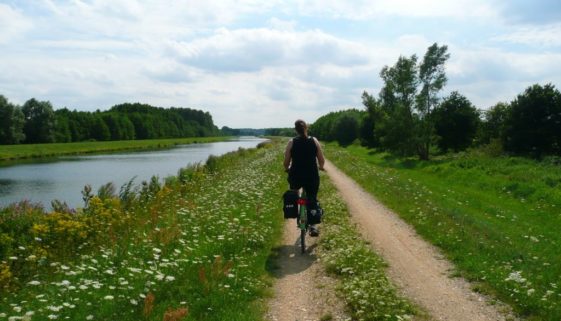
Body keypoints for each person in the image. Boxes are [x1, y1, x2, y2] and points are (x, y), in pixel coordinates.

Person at [283, 119, 325, 236]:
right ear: (307, 128)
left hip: (296, 176)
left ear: (295, 130)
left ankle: (295, 210)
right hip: (312, 176)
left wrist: (287, 168)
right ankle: (313, 226)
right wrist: (321, 167)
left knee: (294, 193)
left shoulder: (291, 142)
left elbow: (286, 161)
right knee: (312, 198)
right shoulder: (314, 141)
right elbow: (321, 160)